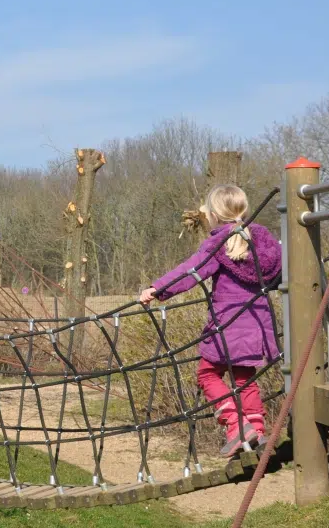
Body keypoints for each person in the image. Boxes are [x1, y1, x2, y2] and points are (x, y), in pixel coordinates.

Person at [139, 184, 282, 458]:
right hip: (258, 323)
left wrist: (157, 289)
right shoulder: (263, 241)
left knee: (208, 373)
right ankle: (257, 430)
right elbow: (279, 272)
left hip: (228, 325)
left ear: (214, 214)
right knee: (245, 378)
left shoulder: (218, 243)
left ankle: (236, 426)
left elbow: (191, 271)